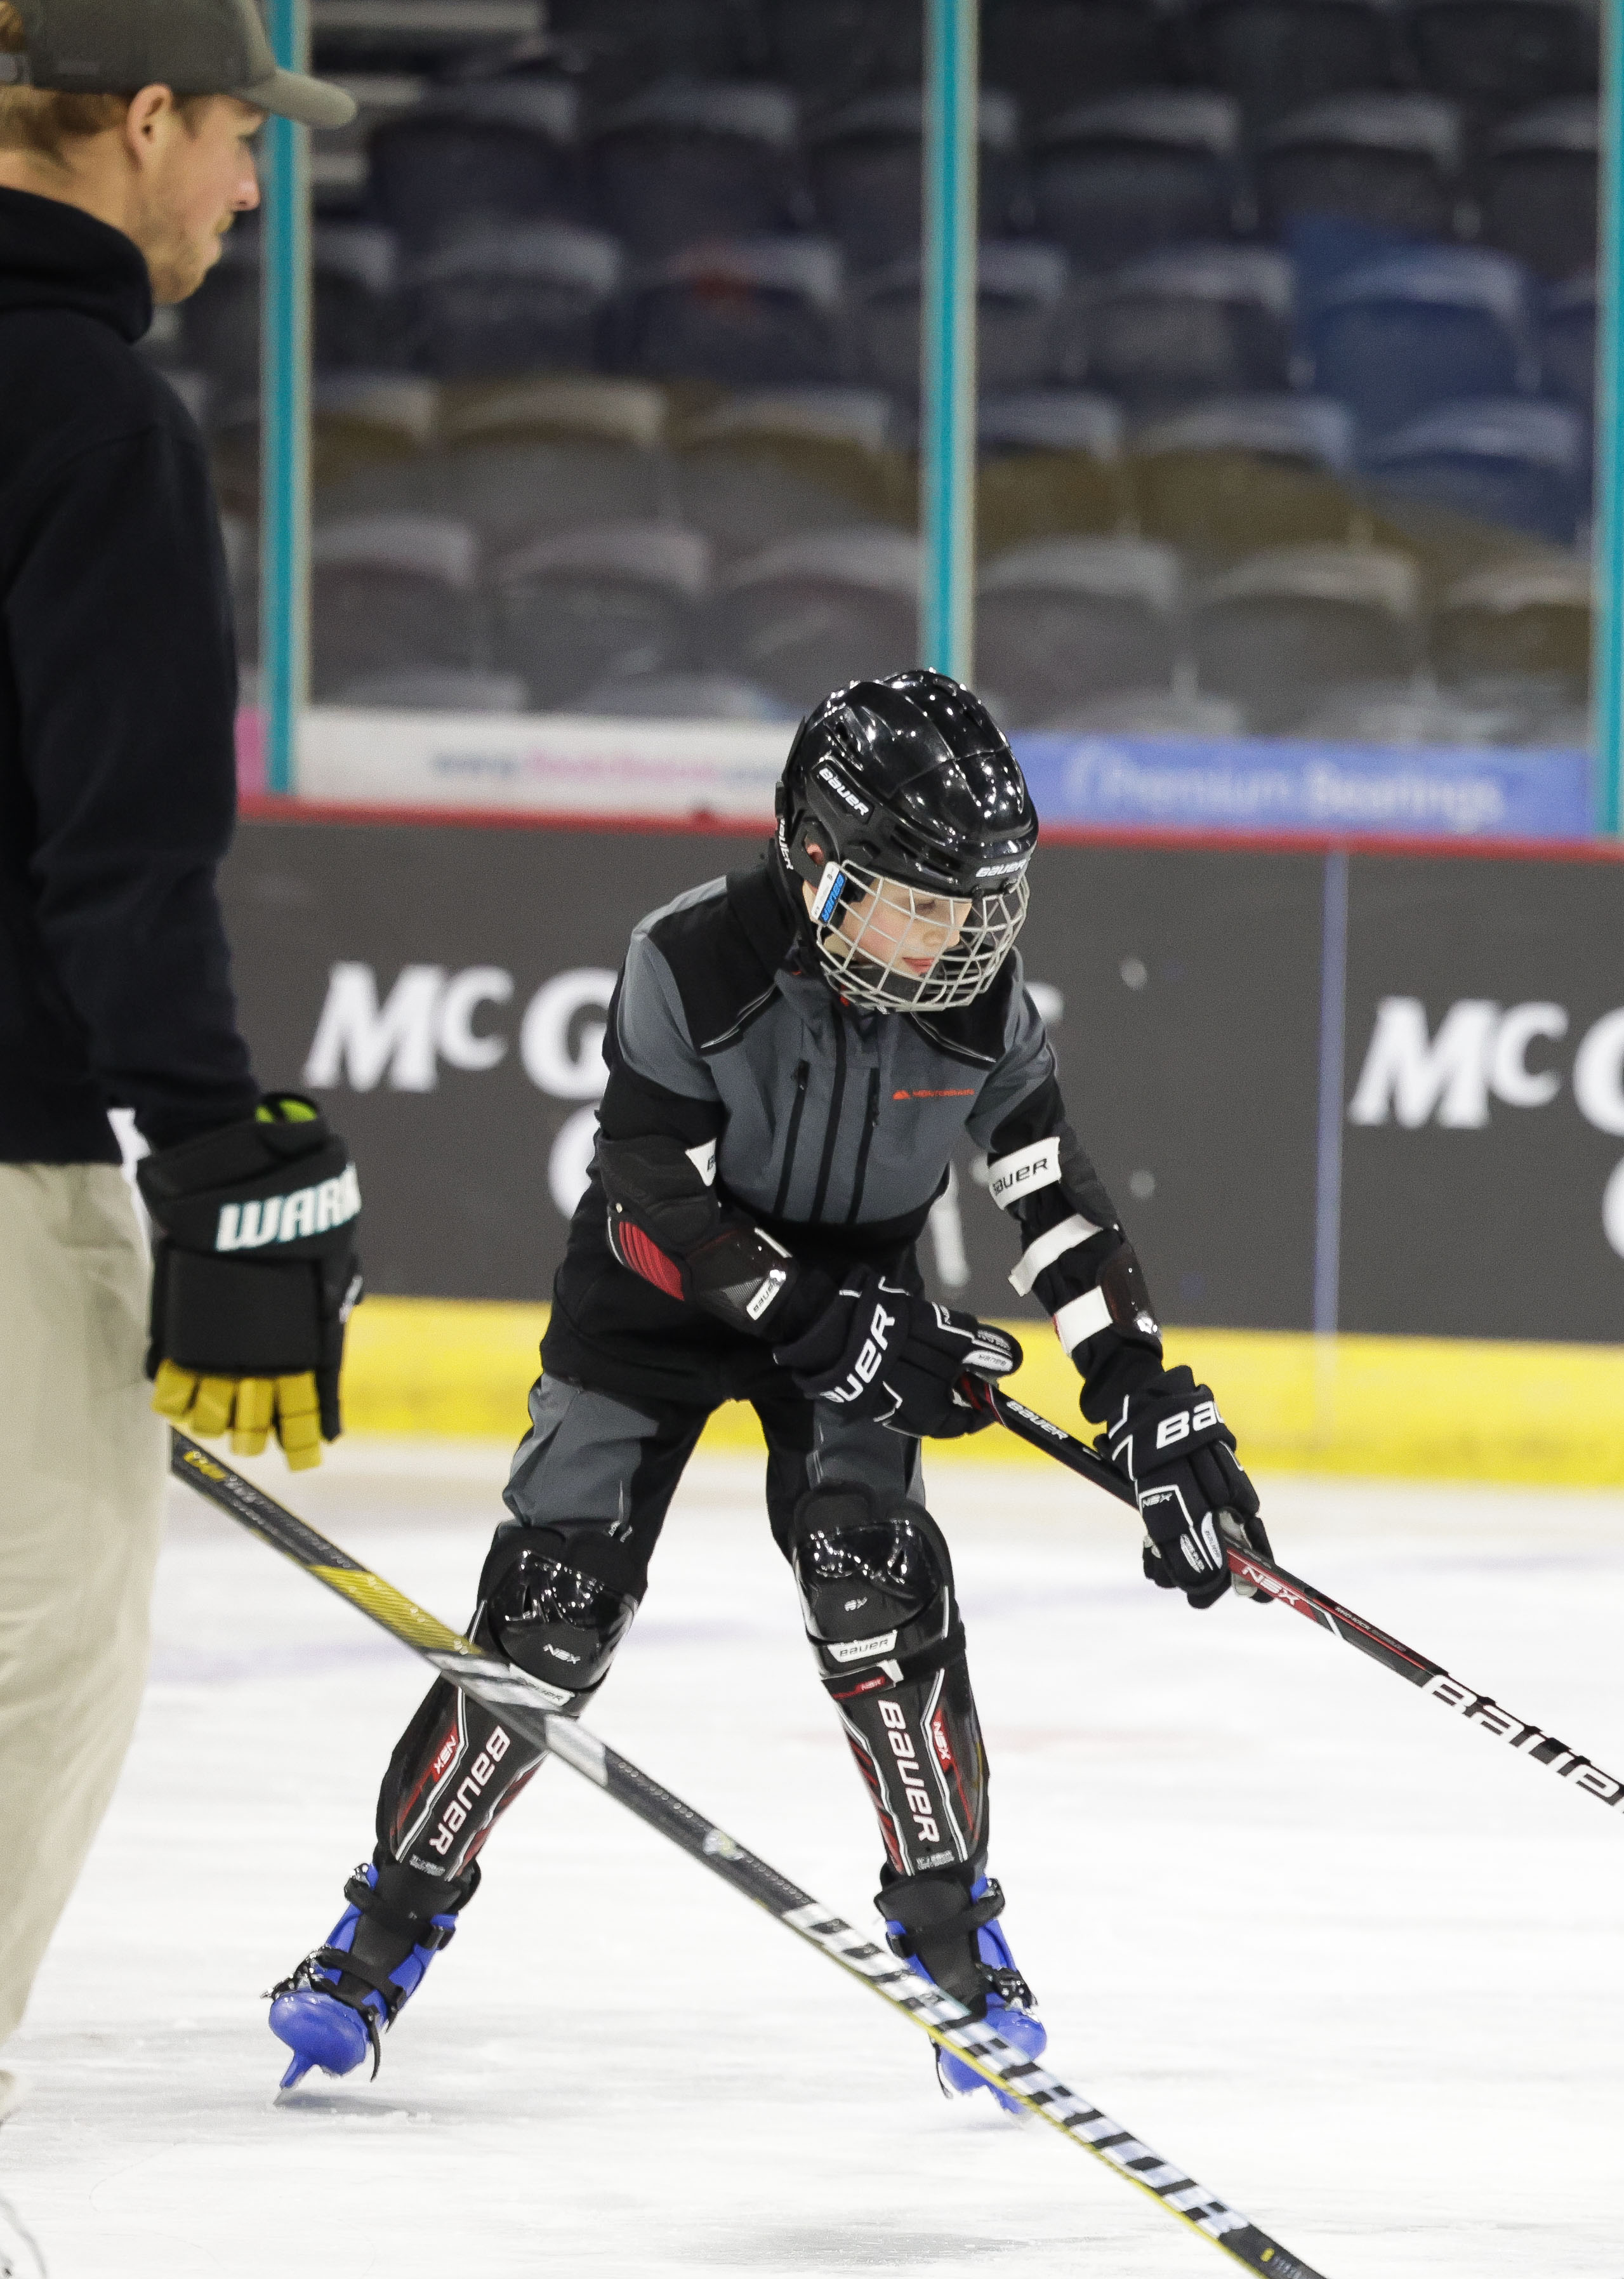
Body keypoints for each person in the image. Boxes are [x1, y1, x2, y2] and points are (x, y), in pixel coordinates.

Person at [261, 670, 1265, 2104]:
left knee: (877, 1583)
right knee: (548, 1618)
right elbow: (650, 1186)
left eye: (973, 907)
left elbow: (1053, 1196)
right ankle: (381, 1933)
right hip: (657, 1300)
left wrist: (1144, 1389)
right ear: (811, 858)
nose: (951, 940)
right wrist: (816, 1317)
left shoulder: (984, 1012)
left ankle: (954, 1946)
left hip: (857, 1285)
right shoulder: (685, 959)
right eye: (916, 902)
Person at [1, 0, 357, 2279]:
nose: (246, 187)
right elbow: (123, 833)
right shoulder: (96, 416)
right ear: (140, 124)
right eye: (238, 137)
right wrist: (218, 1143)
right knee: (41, 1649)